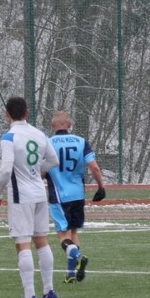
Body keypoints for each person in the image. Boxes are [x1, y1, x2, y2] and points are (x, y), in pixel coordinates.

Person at [0, 96, 60, 298]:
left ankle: (30, 296)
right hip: (40, 192)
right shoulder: (40, 134)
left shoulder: (9, 137)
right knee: (42, 240)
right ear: (27, 113)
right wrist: (38, 171)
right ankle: (49, 291)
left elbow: (6, 169)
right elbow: (54, 160)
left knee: (23, 242)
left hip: (21, 196)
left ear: (7, 114)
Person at [47, 110, 107, 283]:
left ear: (53, 125)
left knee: (63, 235)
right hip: (78, 194)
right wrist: (101, 186)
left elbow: (42, 169)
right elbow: (94, 167)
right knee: (73, 232)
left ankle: (76, 254)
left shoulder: (48, 143)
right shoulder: (81, 142)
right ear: (69, 125)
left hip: (59, 195)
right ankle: (71, 273)